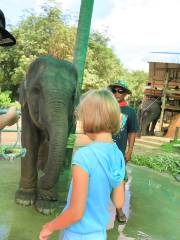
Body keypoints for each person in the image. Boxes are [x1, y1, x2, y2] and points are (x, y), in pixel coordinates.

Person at [39, 89, 125, 240]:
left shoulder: (84, 156)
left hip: (78, 235)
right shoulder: (118, 154)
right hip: (99, 234)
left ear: (89, 118)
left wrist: (49, 226)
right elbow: (119, 202)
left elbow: (76, 213)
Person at [108, 80, 139, 223]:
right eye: (114, 90)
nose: (116, 93)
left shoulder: (129, 112)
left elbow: (132, 132)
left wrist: (129, 150)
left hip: (118, 154)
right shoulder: (106, 107)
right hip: (102, 150)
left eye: (120, 91)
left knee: (119, 181)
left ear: (126, 94)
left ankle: (119, 209)